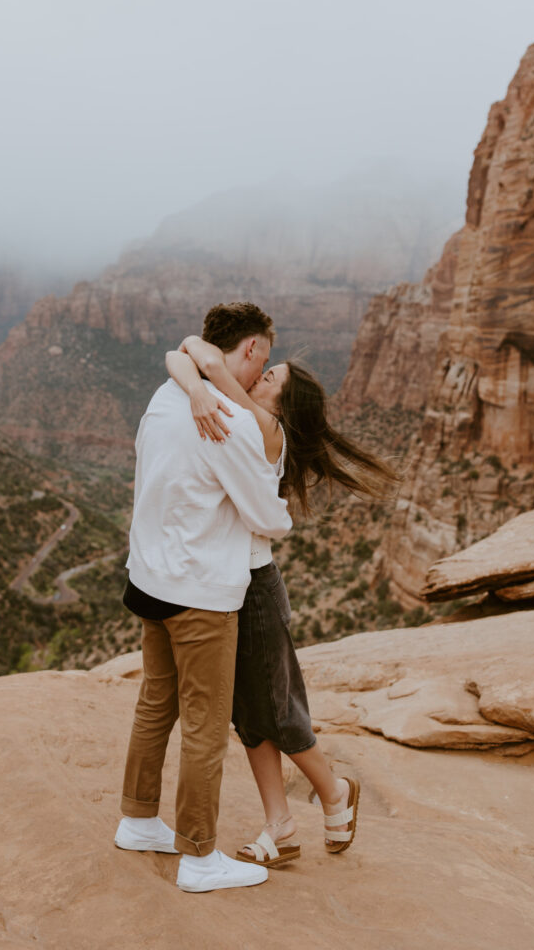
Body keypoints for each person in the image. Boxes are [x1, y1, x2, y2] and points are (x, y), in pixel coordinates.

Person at [166, 331, 398, 867]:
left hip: (258, 594)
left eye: (272, 376)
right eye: (266, 368)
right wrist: (195, 369)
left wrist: (206, 367)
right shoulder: (250, 419)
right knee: (249, 717)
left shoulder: (264, 424)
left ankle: (335, 792)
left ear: (281, 403)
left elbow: (197, 353)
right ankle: (282, 826)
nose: (261, 376)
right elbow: (187, 354)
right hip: (230, 589)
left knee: (281, 711)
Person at [114, 302, 293, 893]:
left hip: (149, 579)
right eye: (261, 360)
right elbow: (269, 518)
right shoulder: (228, 419)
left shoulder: (167, 395)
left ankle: (138, 820)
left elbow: (181, 356)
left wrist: (193, 372)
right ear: (247, 351)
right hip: (199, 596)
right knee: (206, 725)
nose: (258, 374)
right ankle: (198, 856)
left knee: (154, 706)